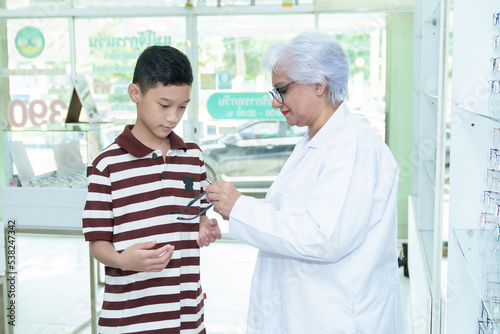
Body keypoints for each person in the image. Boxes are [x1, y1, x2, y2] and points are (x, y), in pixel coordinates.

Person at [205, 30, 404, 333]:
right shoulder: (315, 140)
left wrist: (241, 208)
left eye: (281, 90)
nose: (276, 103)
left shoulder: (352, 145)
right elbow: (291, 218)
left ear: (319, 84)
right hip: (305, 314)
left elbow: (322, 237)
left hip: (335, 319)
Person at [82, 45, 221, 334]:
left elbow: (197, 215)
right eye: (164, 105)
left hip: (187, 316)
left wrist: (205, 225)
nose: (173, 117)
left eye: (182, 107)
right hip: (132, 318)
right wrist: (122, 260)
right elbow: (97, 242)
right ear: (136, 94)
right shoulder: (106, 165)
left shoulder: (192, 156)